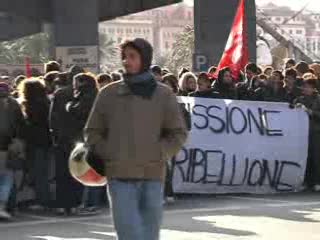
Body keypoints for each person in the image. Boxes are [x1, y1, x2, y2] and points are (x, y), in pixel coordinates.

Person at [85, 38, 188, 240]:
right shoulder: (108, 94)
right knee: (128, 233)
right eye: (124, 56)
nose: (126, 61)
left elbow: (178, 133)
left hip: (153, 175)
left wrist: (159, 153)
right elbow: (92, 131)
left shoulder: (163, 94)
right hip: (119, 175)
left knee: (149, 235)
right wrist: (109, 152)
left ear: (145, 59)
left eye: (132, 56)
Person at [50, 66, 85, 215]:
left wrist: (55, 135)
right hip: (79, 139)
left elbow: (52, 118)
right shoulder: (86, 94)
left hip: (62, 139)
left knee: (62, 172)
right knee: (78, 172)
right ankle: (76, 204)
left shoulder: (60, 93)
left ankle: (61, 204)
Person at [20, 79, 51, 209]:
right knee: (43, 172)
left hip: (34, 142)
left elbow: (27, 124)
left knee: (39, 172)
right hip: (46, 140)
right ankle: (42, 198)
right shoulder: (47, 102)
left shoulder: (31, 105)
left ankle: (42, 200)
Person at [0, 82, 24, 219]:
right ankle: (3, 207)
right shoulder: (13, 104)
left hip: (6, 144)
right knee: (7, 177)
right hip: (7, 145)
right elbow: (20, 123)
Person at [293, 76, 320, 191]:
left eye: (308, 87)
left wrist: (310, 112)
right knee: (304, 157)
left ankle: (317, 181)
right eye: (304, 87)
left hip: (315, 132)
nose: (305, 89)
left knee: (316, 158)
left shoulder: (318, 100)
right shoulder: (299, 100)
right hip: (301, 134)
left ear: (314, 88)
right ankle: (305, 181)